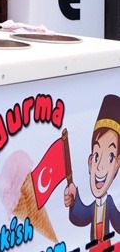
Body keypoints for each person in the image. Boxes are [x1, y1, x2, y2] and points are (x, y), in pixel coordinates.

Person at [64, 94, 120, 250]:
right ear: (90, 162)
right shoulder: (94, 207)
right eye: (96, 156)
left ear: (117, 164)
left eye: (109, 157)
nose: (100, 168)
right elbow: (80, 217)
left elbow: (118, 222)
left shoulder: (109, 204)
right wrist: (74, 200)